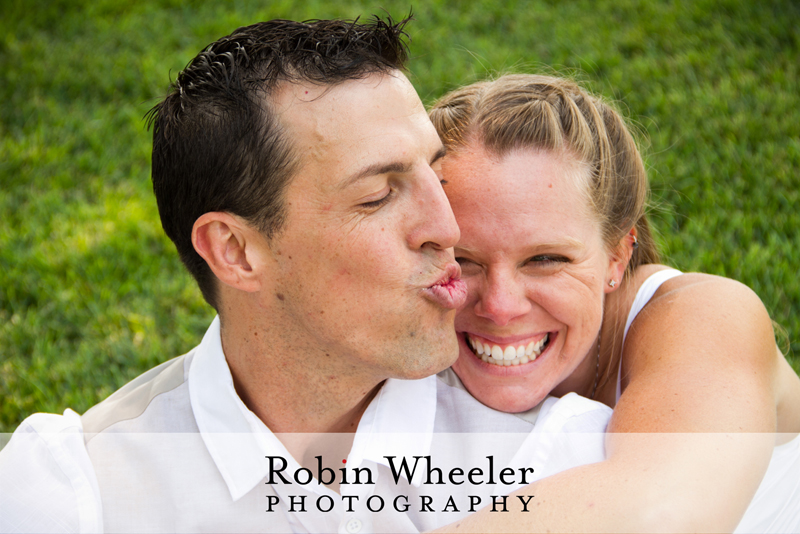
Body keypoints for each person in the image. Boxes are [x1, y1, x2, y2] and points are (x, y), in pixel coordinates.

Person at [0, 20, 618, 534]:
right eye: (379, 195)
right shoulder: (74, 497)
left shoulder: (570, 461)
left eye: (435, 173)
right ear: (236, 251)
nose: (447, 228)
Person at [428, 73, 800, 533]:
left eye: (546, 259)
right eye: (462, 259)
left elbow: (663, 510)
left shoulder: (707, 314)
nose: (501, 306)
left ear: (617, 255)